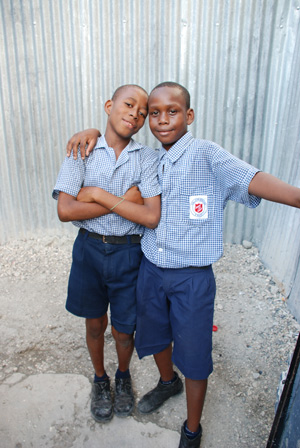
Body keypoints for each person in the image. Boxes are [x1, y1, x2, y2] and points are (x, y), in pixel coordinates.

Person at [66, 82, 300, 448]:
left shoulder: (207, 155)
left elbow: (252, 179)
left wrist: (297, 197)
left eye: (171, 112)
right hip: (150, 269)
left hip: (192, 278)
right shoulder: (151, 159)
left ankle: (192, 429)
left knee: (193, 355)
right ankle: (166, 382)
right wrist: (94, 130)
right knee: (156, 335)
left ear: (188, 115)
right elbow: (115, 139)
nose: (160, 120)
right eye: (152, 114)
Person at [52, 84, 161, 424]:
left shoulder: (147, 158)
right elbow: (66, 210)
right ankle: (101, 378)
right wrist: (123, 202)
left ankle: (123, 376)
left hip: (130, 253)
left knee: (124, 329)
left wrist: (95, 194)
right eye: (129, 105)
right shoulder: (81, 150)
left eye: (143, 112)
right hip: (88, 249)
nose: (135, 114)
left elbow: (148, 215)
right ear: (109, 105)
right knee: (95, 322)